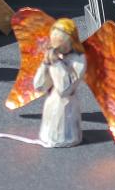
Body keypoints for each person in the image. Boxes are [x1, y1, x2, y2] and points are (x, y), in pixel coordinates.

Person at [34, 19, 85, 147]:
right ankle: (49, 136)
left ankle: (65, 139)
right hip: (52, 102)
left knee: (62, 132)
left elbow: (65, 89)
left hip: (66, 106)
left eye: (62, 45)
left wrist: (57, 63)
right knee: (50, 130)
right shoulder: (54, 55)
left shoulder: (79, 60)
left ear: (71, 41)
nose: (59, 50)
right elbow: (39, 86)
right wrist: (45, 64)